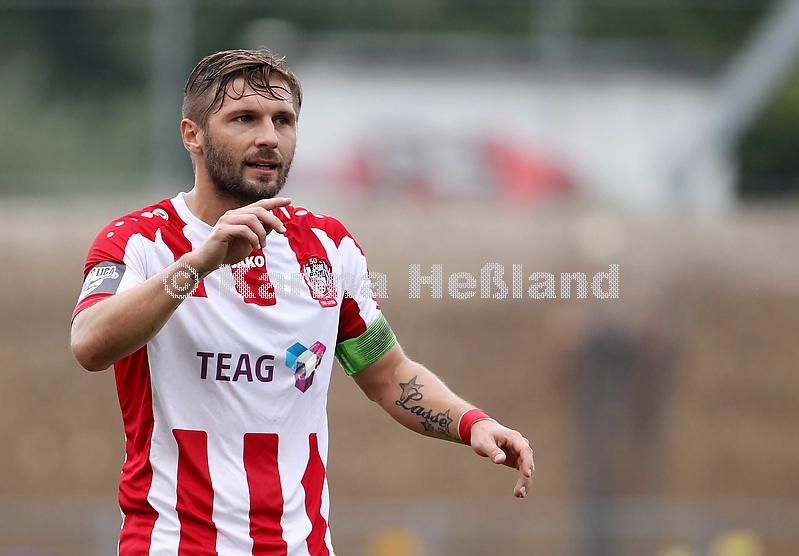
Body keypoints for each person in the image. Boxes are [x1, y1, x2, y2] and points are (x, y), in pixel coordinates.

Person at [70, 49, 534, 556]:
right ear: (192, 135)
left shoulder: (328, 248)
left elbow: (388, 374)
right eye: (244, 119)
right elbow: (90, 343)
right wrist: (200, 263)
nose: (269, 136)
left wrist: (473, 422)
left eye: (283, 120)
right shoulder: (138, 242)